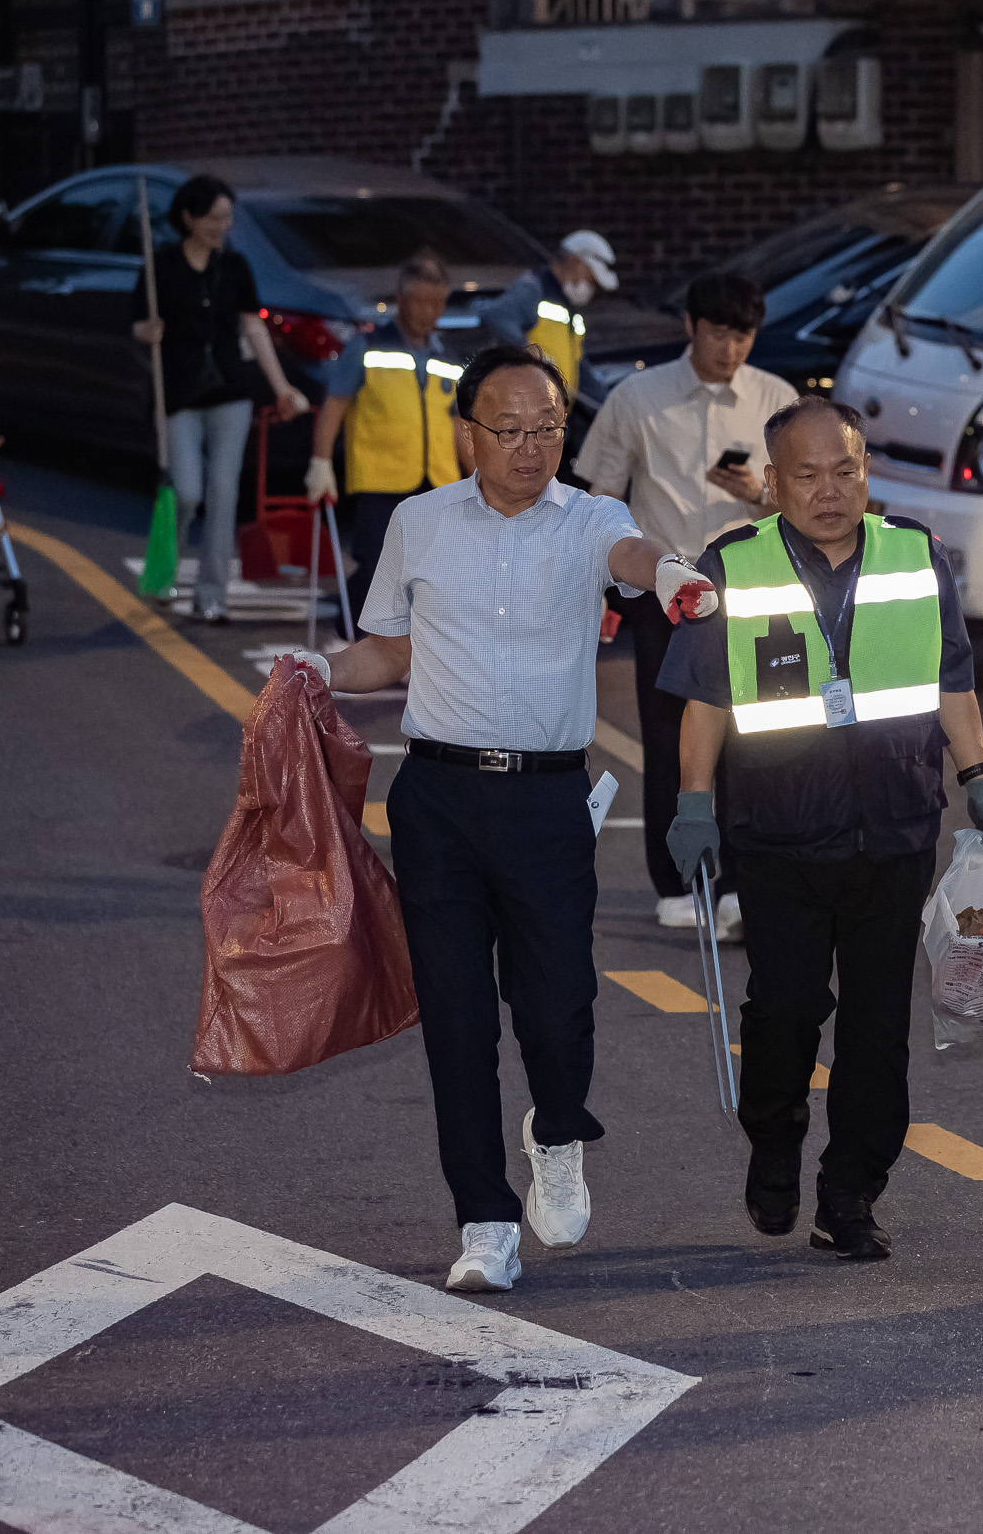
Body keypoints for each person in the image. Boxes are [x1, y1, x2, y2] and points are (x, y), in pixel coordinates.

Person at [293, 344, 667, 1293]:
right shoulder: (420, 523)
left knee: (558, 1006)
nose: (531, 446)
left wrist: (672, 574)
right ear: (469, 432)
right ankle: (484, 1217)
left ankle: (555, 1125)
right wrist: (319, 671)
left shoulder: (592, 518)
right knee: (455, 1016)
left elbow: (634, 558)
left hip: (548, 799)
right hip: (439, 799)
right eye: (510, 429)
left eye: (548, 427)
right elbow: (390, 651)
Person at [657, 396, 983, 1263]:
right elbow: (705, 701)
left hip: (893, 832)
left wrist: (980, 778)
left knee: (878, 1030)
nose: (828, 490)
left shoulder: (916, 555)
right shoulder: (732, 566)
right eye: (806, 475)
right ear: (771, 484)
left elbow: (949, 679)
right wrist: (693, 805)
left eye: (845, 470)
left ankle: (850, 1191)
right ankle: (774, 1144)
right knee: (783, 1013)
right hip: (779, 836)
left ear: (866, 471)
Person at [572, 271, 794, 939]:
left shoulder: (775, 399)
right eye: (720, 332)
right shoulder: (637, 397)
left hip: (752, 585)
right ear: (691, 327)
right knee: (669, 735)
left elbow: (808, 498)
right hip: (665, 588)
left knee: (755, 735)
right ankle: (675, 880)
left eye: (744, 334)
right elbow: (600, 496)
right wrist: (607, 586)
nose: (732, 348)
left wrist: (759, 490)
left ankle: (737, 882)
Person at [128, 176, 309, 625]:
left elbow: (253, 329)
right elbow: (137, 323)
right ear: (189, 217)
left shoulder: (236, 267)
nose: (222, 226)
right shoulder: (161, 266)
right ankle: (165, 569)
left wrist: (281, 386)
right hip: (179, 395)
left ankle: (212, 597)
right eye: (213, 218)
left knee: (224, 494)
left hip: (231, 394)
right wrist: (146, 331)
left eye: (227, 218)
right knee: (186, 491)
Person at [306, 252, 465, 621]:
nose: (432, 313)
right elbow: (335, 405)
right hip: (381, 481)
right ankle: (356, 637)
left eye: (439, 303)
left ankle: (403, 651)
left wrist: (481, 477)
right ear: (401, 299)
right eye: (423, 302)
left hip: (438, 482)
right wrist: (320, 461)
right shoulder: (367, 347)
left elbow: (458, 424)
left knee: (430, 574)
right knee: (380, 569)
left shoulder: (448, 356)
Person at [479, 230, 618, 399]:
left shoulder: (566, 304)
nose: (591, 289)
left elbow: (578, 367)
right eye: (591, 280)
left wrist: (605, 405)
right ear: (576, 263)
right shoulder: (533, 288)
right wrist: (529, 358)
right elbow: (497, 316)